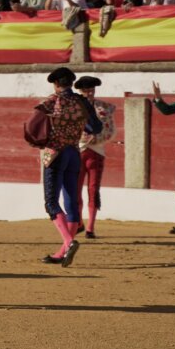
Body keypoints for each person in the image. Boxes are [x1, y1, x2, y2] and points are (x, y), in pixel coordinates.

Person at [38, 67, 98, 267]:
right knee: (71, 201)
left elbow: (33, 125)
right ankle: (63, 252)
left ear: (56, 84)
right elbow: (95, 127)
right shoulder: (82, 102)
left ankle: (69, 241)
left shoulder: (51, 101)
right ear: (71, 83)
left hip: (55, 152)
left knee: (51, 202)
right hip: (74, 152)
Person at [74, 76, 116, 239]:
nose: (89, 93)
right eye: (86, 90)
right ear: (80, 91)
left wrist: (94, 140)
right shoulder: (75, 108)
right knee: (76, 191)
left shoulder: (103, 108)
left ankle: (90, 227)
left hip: (96, 153)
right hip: (78, 153)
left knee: (93, 190)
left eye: (91, 90)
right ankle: (78, 223)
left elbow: (110, 131)